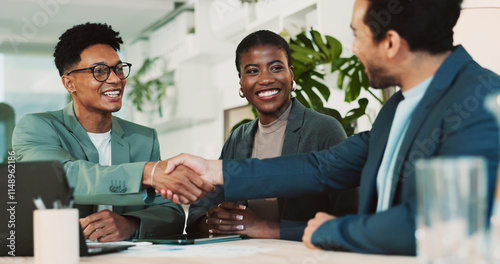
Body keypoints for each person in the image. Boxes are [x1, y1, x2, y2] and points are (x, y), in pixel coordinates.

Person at [162, 0, 500, 255]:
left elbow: (437, 225)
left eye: (357, 35)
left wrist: (333, 230)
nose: (353, 48)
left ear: (391, 43)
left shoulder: (482, 100)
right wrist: (215, 170)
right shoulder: (399, 107)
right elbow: (322, 166)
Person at [12, 22, 213, 242]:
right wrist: (148, 173)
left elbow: (170, 212)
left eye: (118, 68)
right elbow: (62, 177)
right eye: (99, 71)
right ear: (69, 83)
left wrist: (132, 224)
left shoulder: (143, 138)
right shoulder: (37, 126)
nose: (116, 79)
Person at [186, 30, 357, 241]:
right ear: (241, 84)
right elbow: (198, 211)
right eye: (252, 71)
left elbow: (347, 218)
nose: (265, 79)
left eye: (276, 68)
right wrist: (214, 224)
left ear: (291, 74)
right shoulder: (238, 138)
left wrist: (264, 227)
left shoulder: (323, 130)